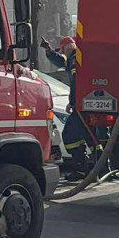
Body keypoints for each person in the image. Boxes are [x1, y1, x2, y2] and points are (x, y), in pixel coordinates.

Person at [41, 36, 92, 174]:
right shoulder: (75, 58)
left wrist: (73, 102)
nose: (62, 53)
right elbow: (60, 60)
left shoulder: (74, 60)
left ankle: (81, 168)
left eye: (62, 50)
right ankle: (97, 168)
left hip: (80, 105)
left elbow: (76, 82)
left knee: (70, 135)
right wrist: (49, 51)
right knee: (90, 136)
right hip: (86, 104)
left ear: (65, 48)